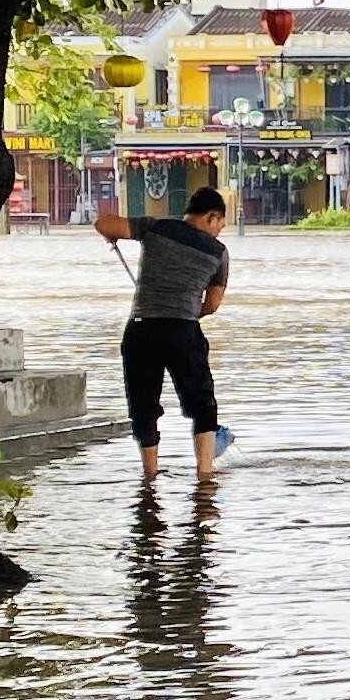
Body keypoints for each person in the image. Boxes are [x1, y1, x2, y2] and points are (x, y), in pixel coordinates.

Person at [96, 187, 233, 480]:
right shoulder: (218, 253)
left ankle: (150, 475)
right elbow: (213, 303)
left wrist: (116, 235)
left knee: (143, 406)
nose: (221, 230)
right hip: (182, 330)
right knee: (202, 405)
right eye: (221, 223)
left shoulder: (155, 227)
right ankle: (205, 474)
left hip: (140, 330)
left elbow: (104, 224)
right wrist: (189, 310)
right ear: (210, 217)